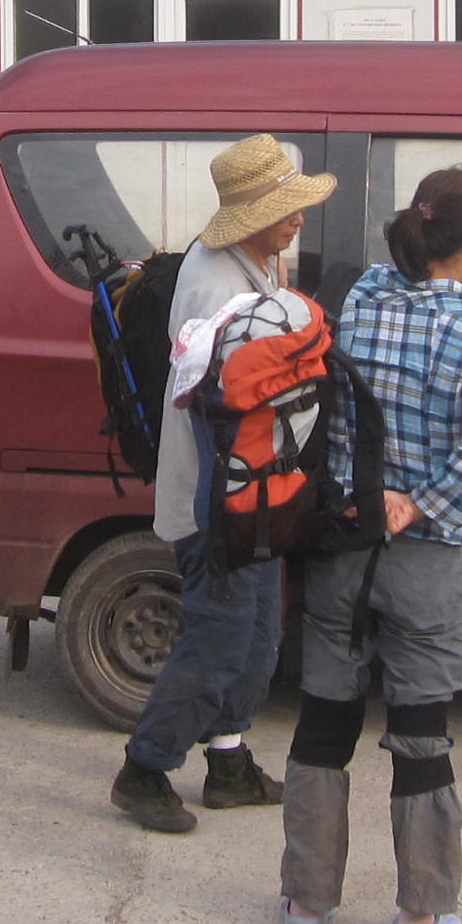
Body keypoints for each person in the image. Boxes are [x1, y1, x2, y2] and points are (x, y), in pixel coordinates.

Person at [279, 165, 462, 924]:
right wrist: (420, 504)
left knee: (323, 719)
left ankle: (307, 900)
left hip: (342, 544)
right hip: (426, 559)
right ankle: (420, 916)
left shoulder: (356, 302)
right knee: (420, 733)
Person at [108, 132, 338, 835]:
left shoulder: (253, 263)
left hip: (253, 491)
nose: (298, 218)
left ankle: (229, 764)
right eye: (285, 208)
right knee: (221, 638)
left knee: (259, 634)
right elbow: (225, 405)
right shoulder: (215, 286)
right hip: (220, 500)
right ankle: (144, 769)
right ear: (250, 216)